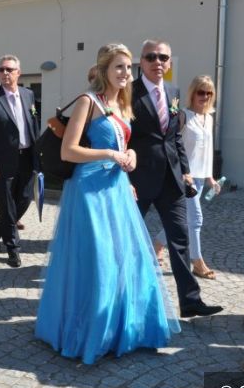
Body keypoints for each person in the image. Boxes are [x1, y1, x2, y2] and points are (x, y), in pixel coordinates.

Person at [35, 43, 180, 364]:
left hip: (116, 188)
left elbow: (124, 145)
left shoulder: (122, 105)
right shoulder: (88, 101)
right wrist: (111, 154)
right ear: (104, 70)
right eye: (118, 67)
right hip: (88, 191)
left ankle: (120, 329)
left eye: (128, 67)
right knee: (97, 260)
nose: (125, 73)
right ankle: (89, 332)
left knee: (125, 259)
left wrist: (131, 157)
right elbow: (68, 150)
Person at [128, 39, 222, 318]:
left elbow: (174, 137)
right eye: (151, 57)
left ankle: (190, 301)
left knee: (180, 236)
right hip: (138, 178)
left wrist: (186, 171)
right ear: (141, 61)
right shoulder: (128, 92)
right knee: (127, 238)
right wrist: (125, 177)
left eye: (163, 57)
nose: (157, 62)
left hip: (172, 178)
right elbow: (123, 135)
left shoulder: (173, 92)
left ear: (169, 62)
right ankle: (123, 296)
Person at [0, 54, 39, 267]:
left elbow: (33, 125)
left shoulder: (28, 95)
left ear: (18, 73)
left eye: (9, 69)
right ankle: (13, 249)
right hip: (2, 161)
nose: (4, 73)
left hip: (26, 158)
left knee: (24, 199)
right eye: (1, 69)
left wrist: (38, 155)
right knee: (6, 206)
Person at [176, 75, 220, 279]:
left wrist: (210, 177)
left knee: (184, 219)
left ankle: (157, 246)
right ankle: (197, 261)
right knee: (196, 219)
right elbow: (172, 145)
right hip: (186, 178)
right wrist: (181, 172)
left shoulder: (209, 118)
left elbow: (208, 149)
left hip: (201, 178)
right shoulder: (183, 116)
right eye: (201, 92)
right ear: (192, 93)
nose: (205, 96)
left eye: (209, 93)